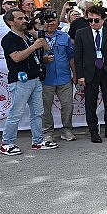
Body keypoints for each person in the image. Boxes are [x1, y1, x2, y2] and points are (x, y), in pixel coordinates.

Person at [0, 8, 58, 155]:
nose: (24, 20)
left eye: (25, 18)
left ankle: (37, 141)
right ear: (10, 22)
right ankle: (7, 143)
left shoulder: (28, 36)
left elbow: (43, 50)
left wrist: (44, 57)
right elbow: (17, 57)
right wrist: (33, 47)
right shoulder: (8, 39)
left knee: (38, 112)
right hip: (20, 80)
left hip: (35, 78)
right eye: (20, 19)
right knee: (16, 113)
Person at [74, 5, 107, 143]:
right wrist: (80, 75)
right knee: (90, 103)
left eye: (96, 20)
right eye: (90, 20)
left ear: (103, 19)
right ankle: (93, 131)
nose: (93, 23)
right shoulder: (81, 33)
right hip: (90, 72)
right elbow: (78, 56)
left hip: (106, 71)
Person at [40, 11, 77, 142]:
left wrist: (75, 74)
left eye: (53, 20)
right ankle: (47, 131)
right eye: (47, 20)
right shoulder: (37, 37)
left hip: (64, 77)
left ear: (58, 22)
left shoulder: (64, 37)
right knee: (45, 107)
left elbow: (71, 56)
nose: (50, 23)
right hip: (45, 78)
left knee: (67, 105)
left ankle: (66, 130)